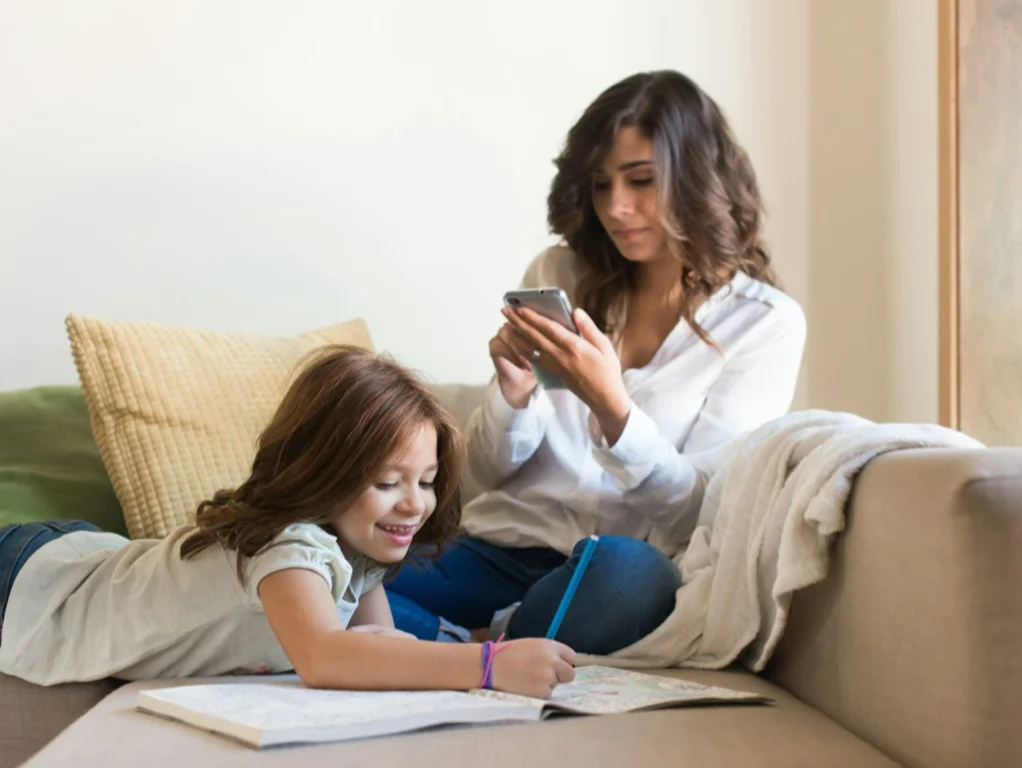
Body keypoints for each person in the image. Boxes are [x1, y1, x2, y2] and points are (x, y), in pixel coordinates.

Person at [386, 70, 807, 654]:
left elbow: (697, 515)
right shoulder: (557, 275)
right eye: (601, 184)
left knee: (633, 578)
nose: (617, 207)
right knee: (334, 571)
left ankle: (446, 646)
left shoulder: (763, 324)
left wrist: (613, 408)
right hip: (500, 549)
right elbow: (485, 475)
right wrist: (511, 395)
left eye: (640, 181)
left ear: (697, 179)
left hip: (611, 566)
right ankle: (480, 646)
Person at [0, 346, 575, 699]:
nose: (414, 504)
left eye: (425, 482)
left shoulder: (360, 551)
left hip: (86, 553)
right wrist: (487, 665)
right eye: (386, 482)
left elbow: (377, 645)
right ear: (322, 471)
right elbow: (327, 656)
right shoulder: (289, 545)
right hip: (33, 580)